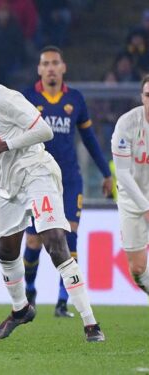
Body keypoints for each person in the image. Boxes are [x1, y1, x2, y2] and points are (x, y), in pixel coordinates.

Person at [0, 53, 104, 342]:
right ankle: (21, 309)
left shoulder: (5, 98)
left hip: (36, 174)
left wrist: (1, 147)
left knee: (56, 243)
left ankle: (90, 323)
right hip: (8, 187)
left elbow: (44, 130)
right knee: (5, 251)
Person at [21, 46, 113, 318]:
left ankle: (63, 301)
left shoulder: (75, 99)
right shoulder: (28, 98)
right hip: (37, 179)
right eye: (45, 63)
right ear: (39, 69)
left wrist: (106, 172)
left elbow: (89, 139)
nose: (50, 67)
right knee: (36, 242)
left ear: (63, 67)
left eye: (55, 63)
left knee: (69, 238)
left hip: (70, 179)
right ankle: (29, 289)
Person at [110, 75, 149, 298]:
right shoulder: (127, 123)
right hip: (132, 199)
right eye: (148, 95)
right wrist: (145, 207)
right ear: (142, 97)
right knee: (137, 270)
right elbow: (123, 173)